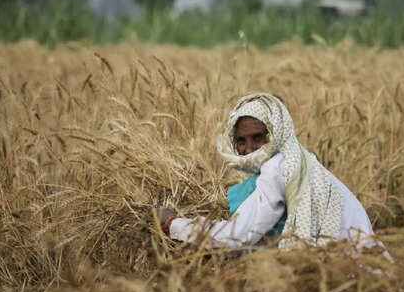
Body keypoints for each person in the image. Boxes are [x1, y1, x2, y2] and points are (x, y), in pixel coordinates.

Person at [158, 93, 391, 259]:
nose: (249, 149)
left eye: (258, 137)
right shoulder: (302, 162)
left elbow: (239, 236)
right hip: (369, 267)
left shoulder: (278, 168)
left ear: (277, 132)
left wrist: (174, 224)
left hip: (346, 277)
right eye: (241, 140)